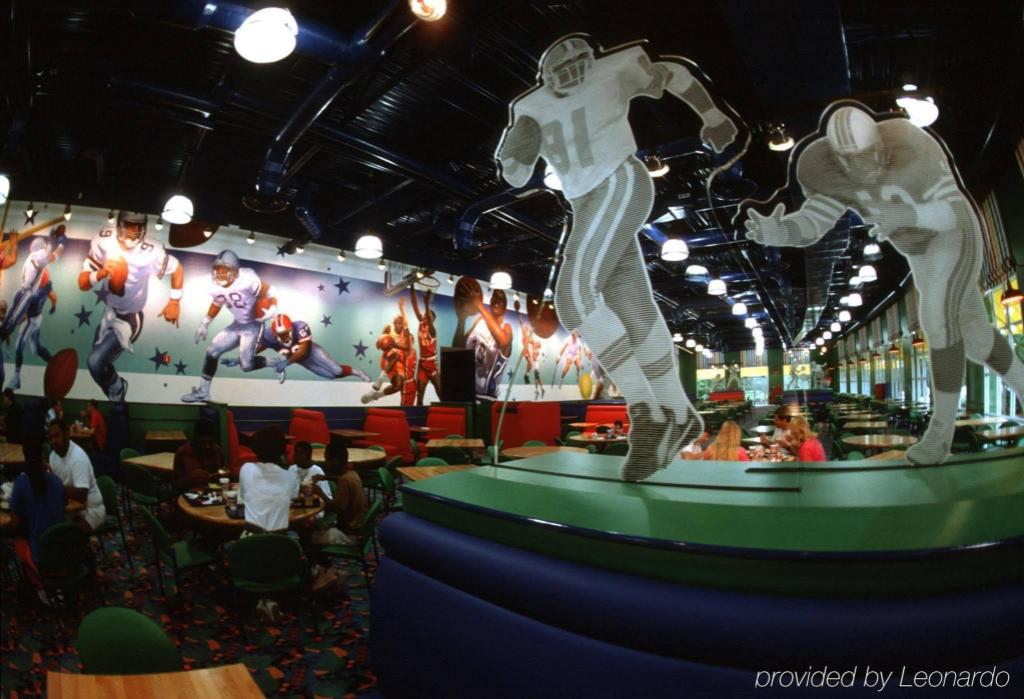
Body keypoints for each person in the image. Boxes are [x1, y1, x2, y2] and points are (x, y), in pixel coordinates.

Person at [497, 35, 738, 480]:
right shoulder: (529, 107)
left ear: (591, 60)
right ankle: (678, 411)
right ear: (547, 75)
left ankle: (646, 411)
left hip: (620, 181)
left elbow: (673, 73)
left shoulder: (613, 68)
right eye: (562, 68)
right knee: (633, 307)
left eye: (579, 63)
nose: (573, 73)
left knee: (573, 296)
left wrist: (713, 114)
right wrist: (518, 148)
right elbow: (514, 173)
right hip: (585, 202)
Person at [743, 103, 1023, 465]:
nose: (862, 167)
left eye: (868, 155)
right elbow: (814, 221)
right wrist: (781, 232)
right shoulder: (820, 165)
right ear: (837, 158)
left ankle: (940, 435)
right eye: (851, 161)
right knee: (977, 338)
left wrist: (908, 214)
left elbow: (953, 211)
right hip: (917, 250)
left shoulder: (912, 143)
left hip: (950, 234)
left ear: (880, 143)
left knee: (936, 319)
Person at [80, 212, 183, 402]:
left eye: (139, 225)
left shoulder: (152, 251)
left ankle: (117, 387)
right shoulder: (104, 240)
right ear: (120, 223)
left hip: (129, 318)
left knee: (95, 362)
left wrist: (174, 301)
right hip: (109, 312)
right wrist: (101, 273)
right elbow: (83, 283)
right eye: (130, 224)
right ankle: (114, 392)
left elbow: (177, 268)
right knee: (97, 363)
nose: (135, 230)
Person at [183, 250, 277, 403]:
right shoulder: (213, 286)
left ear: (235, 271)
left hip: (253, 325)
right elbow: (217, 303)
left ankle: (272, 362)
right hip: (237, 324)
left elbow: (270, 291)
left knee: (246, 366)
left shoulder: (248, 279)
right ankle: (203, 392)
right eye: (217, 269)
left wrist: (272, 307)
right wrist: (205, 323)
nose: (220, 273)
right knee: (212, 352)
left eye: (225, 269)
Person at [221, 313, 370, 384]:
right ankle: (348, 372)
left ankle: (355, 372)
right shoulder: (268, 335)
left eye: (286, 333)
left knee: (336, 370)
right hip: (301, 361)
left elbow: (303, 350)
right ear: (274, 333)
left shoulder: (300, 326)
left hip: (312, 352)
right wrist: (239, 359)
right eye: (280, 334)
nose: (285, 337)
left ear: (291, 328)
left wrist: (286, 363)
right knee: (330, 376)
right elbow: (255, 349)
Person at [3, 235, 61, 390]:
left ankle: (16, 378)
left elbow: (24, 314)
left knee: (19, 345)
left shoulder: (35, 291)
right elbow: (53, 296)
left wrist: (13, 323)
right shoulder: (46, 284)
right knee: (35, 348)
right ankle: (53, 362)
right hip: (37, 317)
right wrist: (53, 306)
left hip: (31, 319)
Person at [9, 439, 67, 580]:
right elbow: (62, 505)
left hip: (40, 558)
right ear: (43, 457)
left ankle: (34, 580)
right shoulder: (56, 481)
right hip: (65, 554)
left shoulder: (21, 483)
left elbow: (16, 524)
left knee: (18, 538)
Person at [47, 420, 105, 532]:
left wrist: (55, 486)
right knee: (47, 528)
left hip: (91, 510)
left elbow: (82, 495)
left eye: (57, 436)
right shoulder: (53, 456)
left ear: (66, 434)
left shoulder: (78, 457)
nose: (53, 441)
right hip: (70, 509)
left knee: (70, 535)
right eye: (50, 438)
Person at [237, 426, 296, 532]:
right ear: (283, 450)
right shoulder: (291, 476)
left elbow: (241, 498)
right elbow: (293, 498)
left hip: (252, 538)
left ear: (255, 449)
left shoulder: (246, 469)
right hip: (280, 538)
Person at [362, 298, 414, 404]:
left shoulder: (405, 334)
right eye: (397, 322)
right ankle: (380, 379)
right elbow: (379, 345)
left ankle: (376, 395)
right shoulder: (389, 331)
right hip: (387, 360)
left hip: (399, 364)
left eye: (401, 323)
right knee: (395, 355)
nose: (399, 324)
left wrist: (401, 308)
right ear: (394, 323)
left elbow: (407, 348)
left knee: (398, 386)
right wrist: (379, 341)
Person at [466, 290, 512, 398]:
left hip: (486, 396)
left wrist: (479, 305)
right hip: (467, 389)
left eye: (500, 299)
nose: (496, 301)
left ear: (505, 308)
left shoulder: (506, 328)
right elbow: (461, 346)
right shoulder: (479, 321)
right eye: (494, 298)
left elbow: (503, 341)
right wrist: (461, 319)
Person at [317, 442, 367, 539]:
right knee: (317, 526)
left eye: (327, 460)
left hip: (349, 534)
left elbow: (334, 508)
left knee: (308, 537)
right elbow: (339, 478)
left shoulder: (344, 481)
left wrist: (319, 492)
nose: (326, 463)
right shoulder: (352, 473)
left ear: (335, 461)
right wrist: (326, 477)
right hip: (358, 526)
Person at [172, 420, 223, 492]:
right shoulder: (183, 452)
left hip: (213, 493)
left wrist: (219, 475)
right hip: (189, 494)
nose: (207, 446)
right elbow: (176, 485)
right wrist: (191, 476)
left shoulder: (216, 450)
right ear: (195, 440)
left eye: (210, 442)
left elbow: (223, 473)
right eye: (203, 442)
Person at [410, 288, 440, 406]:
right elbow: (414, 305)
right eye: (425, 315)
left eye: (428, 316)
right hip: (422, 363)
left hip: (432, 364)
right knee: (420, 392)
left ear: (432, 320)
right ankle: (419, 414)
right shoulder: (421, 324)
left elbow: (428, 316)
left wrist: (427, 303)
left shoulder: (432, 331)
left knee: (440, 391)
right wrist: (411, 286)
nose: (425, 316)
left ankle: (448, 410)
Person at [516, 299, 545, 400]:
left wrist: (534, 341)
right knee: (532, 367)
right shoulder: (526, 332)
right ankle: (530, 379)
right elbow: (521, 322)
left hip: (533, 356)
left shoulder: (535, 346)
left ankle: (539, 389)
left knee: (536, 375)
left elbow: (535, 343)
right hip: (526, 347)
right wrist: (518, 312)